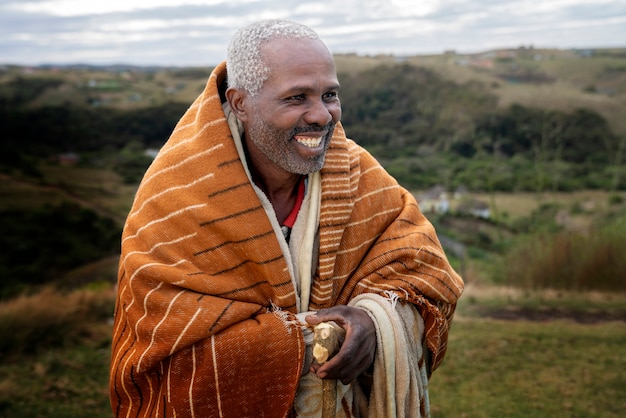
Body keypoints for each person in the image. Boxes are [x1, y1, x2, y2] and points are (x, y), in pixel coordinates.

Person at [109, 19, 463, 418]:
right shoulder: (177, 194)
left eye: (329, 95)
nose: (322, 116)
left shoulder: (358, 173)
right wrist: (313, 338)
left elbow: (425, 272)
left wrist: (372, 321)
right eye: (297, 98)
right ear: (240, 103)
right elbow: (165, 337)